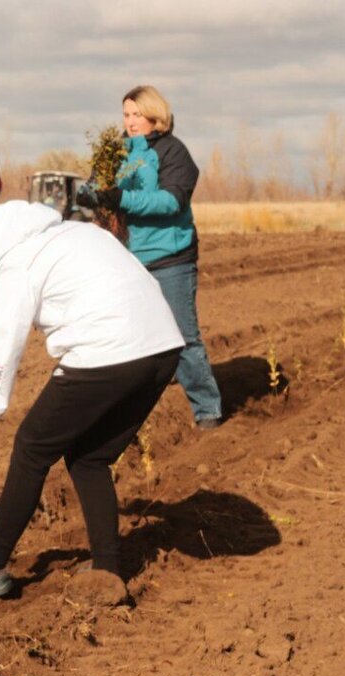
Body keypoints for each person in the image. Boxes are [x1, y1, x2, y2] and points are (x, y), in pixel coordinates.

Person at [0, 200, 183, 597]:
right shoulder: (73, 230)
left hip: (109, 349)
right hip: (162, 346)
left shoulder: (18, 267)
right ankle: (107, 568)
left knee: (32, 446)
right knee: (88, 457)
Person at [78, 85, 223, 429]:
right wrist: (89, 196)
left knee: (183, 337)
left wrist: (120, 200)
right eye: (126, 115)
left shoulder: (174, 152)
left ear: (154, 114)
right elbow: (95, 186)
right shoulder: (116, 152)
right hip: (128, 258)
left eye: (137, 114)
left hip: (170, 257)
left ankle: (207, 410)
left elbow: (171, 202)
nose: (130, 121)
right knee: (128, 337)